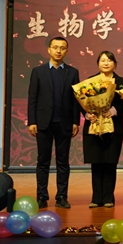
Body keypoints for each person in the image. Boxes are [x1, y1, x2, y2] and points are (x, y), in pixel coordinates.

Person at [27, 36, 80, 209]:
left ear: (66, 51)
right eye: (55, 47)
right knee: (43, 161)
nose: (58, 51)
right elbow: (32, 98)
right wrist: (32, 121)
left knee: (63, 161)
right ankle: (42, 196)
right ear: (49, 50)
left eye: (62, 48)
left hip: (64, 123)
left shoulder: (72, 72)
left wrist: (75, 121)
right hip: (43, 123)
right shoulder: (38, 71)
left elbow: (76, 100)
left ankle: (62, 196)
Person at [82, 51, 123, 208]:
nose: (106, 63)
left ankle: (108, 197)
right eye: (103, 60)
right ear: (98, 64)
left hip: (113, 127)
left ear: (115, 64)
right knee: (96, 162)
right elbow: (81, 101)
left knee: (110, 162)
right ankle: (96, 198)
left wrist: (115, 110)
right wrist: (87, 114)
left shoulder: (121, 82)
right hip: (94, 125)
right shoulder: (90, 82)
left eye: (109, 60)